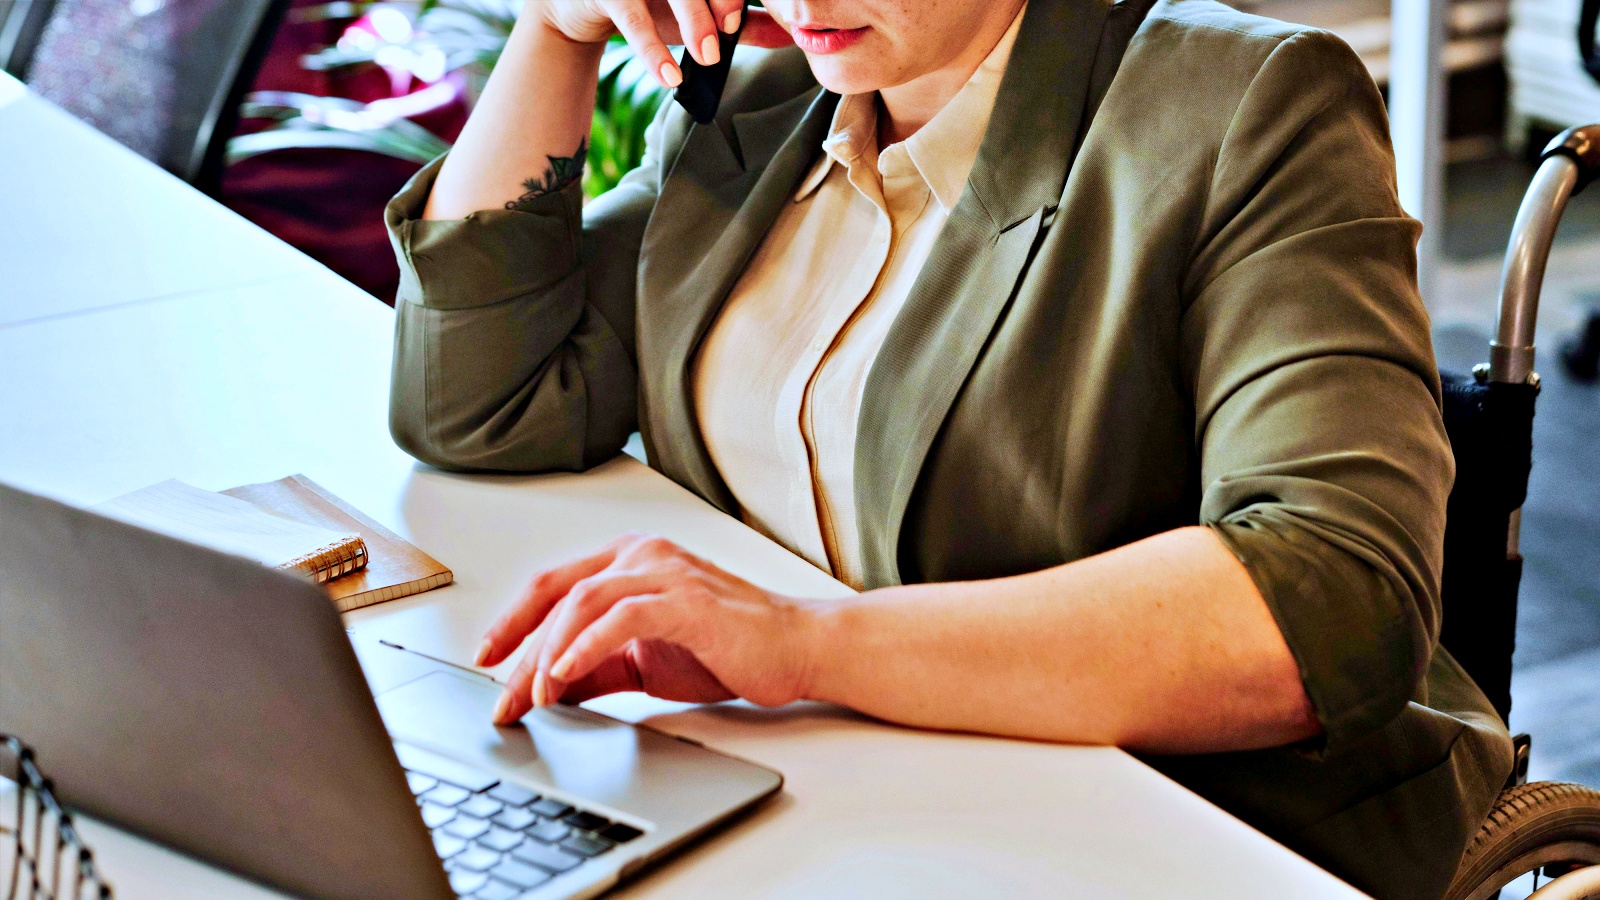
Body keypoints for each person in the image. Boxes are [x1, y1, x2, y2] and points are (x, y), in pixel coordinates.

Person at [383, 1, 1512, 896]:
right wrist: (551, 36)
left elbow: (1333, 601)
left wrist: (803, 644)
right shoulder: (776, 89)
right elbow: (486, 401)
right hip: (836, 808)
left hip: (1180, 830)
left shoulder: (1241, 103)